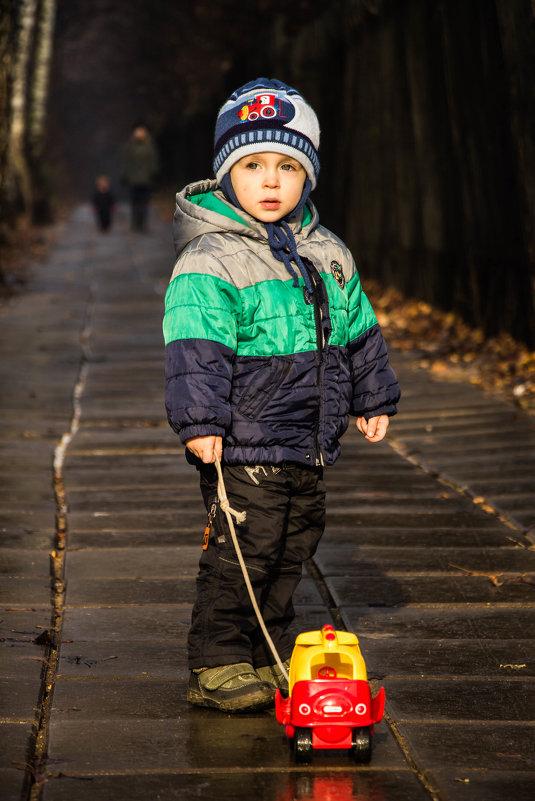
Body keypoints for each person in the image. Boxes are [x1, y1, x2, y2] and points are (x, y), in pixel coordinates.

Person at [163, 78, 400, 713]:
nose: (271, 182)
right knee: (245, 550)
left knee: (294, 546)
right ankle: (215, 661)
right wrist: (200, 422)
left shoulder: (328, 253)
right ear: (226, 176)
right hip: (241, 441)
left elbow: (358, 333)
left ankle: (264, 651)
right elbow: (195, 353)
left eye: (288, 167)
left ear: (308, 177)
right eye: (253, 166)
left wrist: (371, 398)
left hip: (308, 440)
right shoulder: (210, 260)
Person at [122, 124, 159, 231]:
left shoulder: (149, 147)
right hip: (134, 180)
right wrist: (125, 175)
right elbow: (128, 163)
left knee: (143, 203)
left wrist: (153, 174)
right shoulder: (131, 147)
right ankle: (136, 223)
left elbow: (153, 163)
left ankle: (141, 224)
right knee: (136, 202)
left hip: (145, 180)